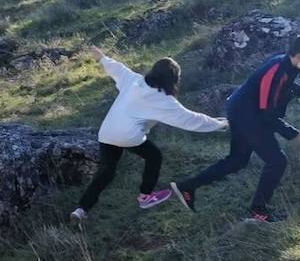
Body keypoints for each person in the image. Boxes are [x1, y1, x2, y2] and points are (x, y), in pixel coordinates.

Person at [169, 34, 300, 222]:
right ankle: (258, 211)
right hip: (248, 116)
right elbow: (267, 114)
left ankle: (187, 187)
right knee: (277, 161)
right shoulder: (277, 70)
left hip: (242, 110)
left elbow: (286, 84)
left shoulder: (286, 63)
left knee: (238, 159)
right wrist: (294, 134)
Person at [69, 49, 228, 223]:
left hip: (106, 133)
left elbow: (117, 68)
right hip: (128, 136)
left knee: (106, 172)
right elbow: (191, 119)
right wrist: (220, 124)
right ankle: (145, 197)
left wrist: (101, 57)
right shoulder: (163, 100)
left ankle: (81, 209)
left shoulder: (133, 80)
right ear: (173, 79)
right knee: (154, 156)